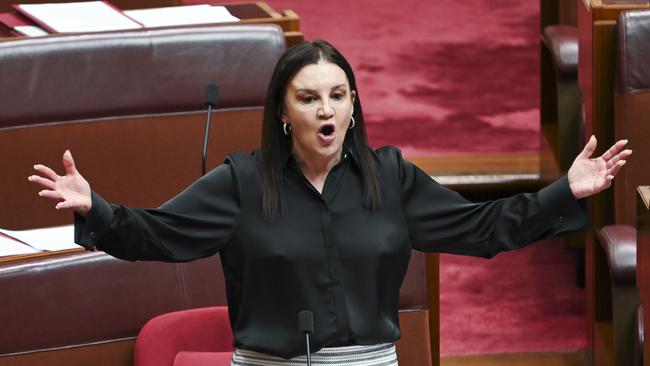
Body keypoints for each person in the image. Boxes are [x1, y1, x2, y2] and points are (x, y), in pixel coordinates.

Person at [28, 40, 631, 366]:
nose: (326, 110)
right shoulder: (241, 182)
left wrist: (564, 193)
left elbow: (481, 227)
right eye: (310, 97)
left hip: (368, 364)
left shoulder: (390, 176)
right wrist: (94, 208)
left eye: (339, 95)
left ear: (353, 107)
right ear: (283, 113)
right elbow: (158, 235)